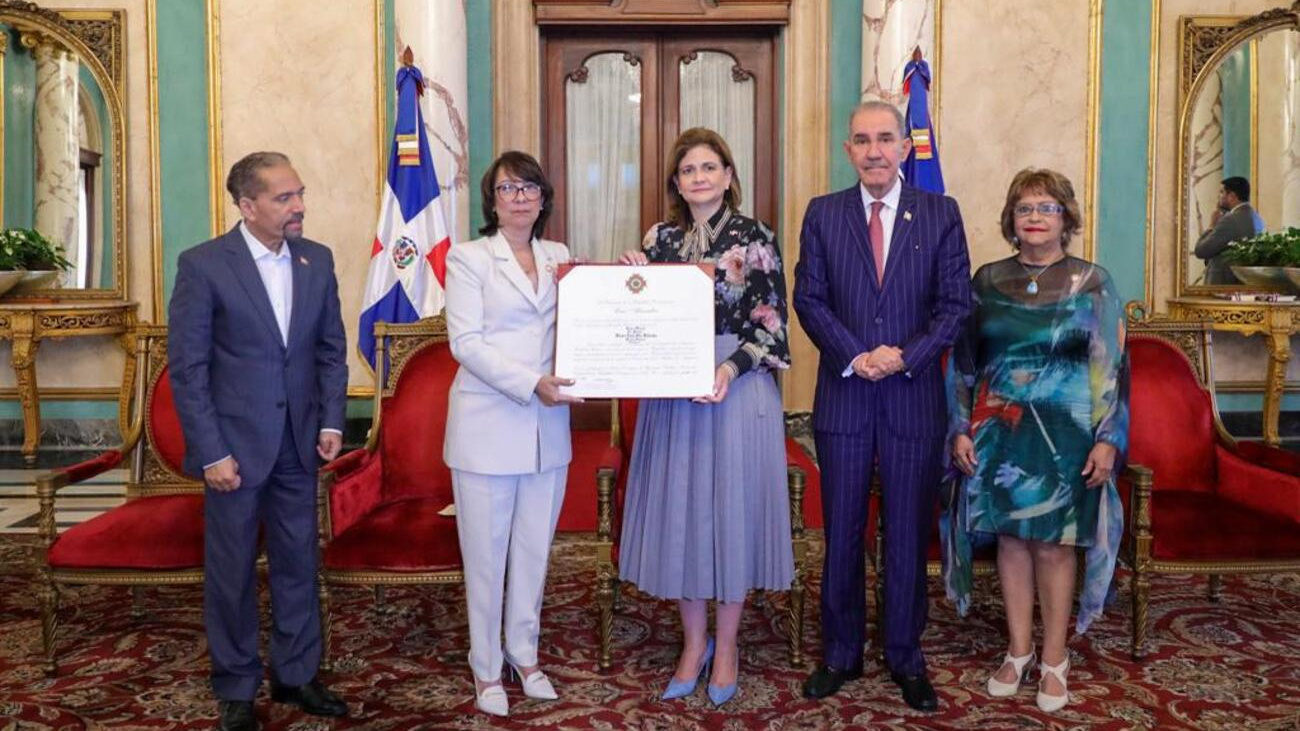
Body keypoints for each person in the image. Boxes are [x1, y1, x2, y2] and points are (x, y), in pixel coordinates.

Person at [792, 101, 971, 712]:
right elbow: (809, 299)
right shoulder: (823, 214)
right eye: (862, 140)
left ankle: (905, 656)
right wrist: (857, 354)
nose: (873, 150)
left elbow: (954, 305)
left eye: (885, 139)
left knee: (904, 533)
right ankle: (839, 652)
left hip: (912, 397)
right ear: (848, 149)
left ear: (904, 146)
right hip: (844, 395)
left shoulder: (941, 214)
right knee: (841, 530)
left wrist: (904, 356)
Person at [168, 152, 349, 731]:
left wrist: (330, 423)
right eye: (284, 198)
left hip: (300, 444)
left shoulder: (316, 259)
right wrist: (212, 452)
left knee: (300, 560)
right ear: (247, 206)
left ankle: (296, 674)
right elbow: (188, 370)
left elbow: (330, 351)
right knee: (233, 570)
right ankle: (237, 685)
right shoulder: (203, 266)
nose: (299, 206)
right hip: (235, 454)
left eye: (299, 193)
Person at [617, 127, 794, 708]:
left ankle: (726, 646)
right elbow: (638, 323)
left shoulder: (755, 236)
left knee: (731, 516)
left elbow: (772, 325)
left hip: (735, 390)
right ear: (676, 181)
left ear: (727, 174)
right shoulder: (660, 238)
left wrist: (729, 368)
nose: (698, 177)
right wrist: (630, 282)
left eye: (709, 166)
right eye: (688, 169)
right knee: (684, 517)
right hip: (672, 396)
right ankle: (691, 646)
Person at [946, 168, 1128, 714]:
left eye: (1046, 207)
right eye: (1025, 208)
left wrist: (1108, 439)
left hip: (1068, 438)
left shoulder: (1093, 282)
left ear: (1066, 217)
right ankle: (1018, 649)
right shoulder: (985, 281)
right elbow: (962, 364)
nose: (1034, 217)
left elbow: (1113, 368)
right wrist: (959, 427)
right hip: (997, 433)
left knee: (1053, 544)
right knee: (1010, 541)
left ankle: (1054, 659)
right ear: (1011, 219)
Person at [443, 151, 579, 717]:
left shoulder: (561, 257)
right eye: (507, 189)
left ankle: (525, 655)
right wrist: (532, 383)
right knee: (485, 555)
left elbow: (585, 319)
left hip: (548, 432)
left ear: (544, 197)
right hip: (487, 426)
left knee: (532, 552)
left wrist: (628, 278)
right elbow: (466, 344)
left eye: (529, 187)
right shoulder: (468, 258)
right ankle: (486, 668)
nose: (519, 197)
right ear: (491, 201)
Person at [1194, 176, 1265, 284]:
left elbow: (1201, 250)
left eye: (1222, 192)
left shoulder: (1231, 220)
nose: (1219, 196)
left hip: (1223, 286)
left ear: (1232, 196)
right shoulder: (1256, 218)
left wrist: (1212, 226)